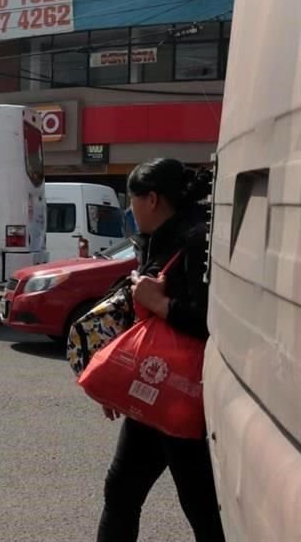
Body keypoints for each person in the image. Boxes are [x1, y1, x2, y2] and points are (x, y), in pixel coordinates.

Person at [96, 158, 223, 542]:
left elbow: (212, 321)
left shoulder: (195, 238)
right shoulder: (158, 237)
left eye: (131, 200)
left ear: (151, 199)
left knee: (202, 508)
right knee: (121, 493)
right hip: (152, 387)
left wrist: (160, 303)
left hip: (183, 394)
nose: (129, 210)